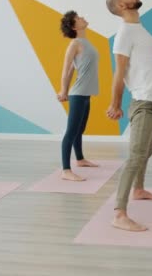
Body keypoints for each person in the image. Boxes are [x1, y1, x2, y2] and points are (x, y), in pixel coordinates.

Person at [105, 0, 152, 232]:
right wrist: (115, 104)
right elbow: (119, 72)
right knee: (136, 156)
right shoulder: (124, 33)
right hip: (144, 100)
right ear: (122, 6)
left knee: (147, 149)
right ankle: (119, 213)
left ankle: (139, 189)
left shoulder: (139, 30)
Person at [57, 11, 100, 181]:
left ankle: (80, 159)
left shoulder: (86, 42)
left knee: (80, 130)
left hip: (86, 93)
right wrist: (63, 91)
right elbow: (67, 70)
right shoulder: (74, 44)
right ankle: (66, 170)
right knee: (71, 131)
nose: (83, 18)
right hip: (78, 93)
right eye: (78, 19)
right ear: (75, 26)